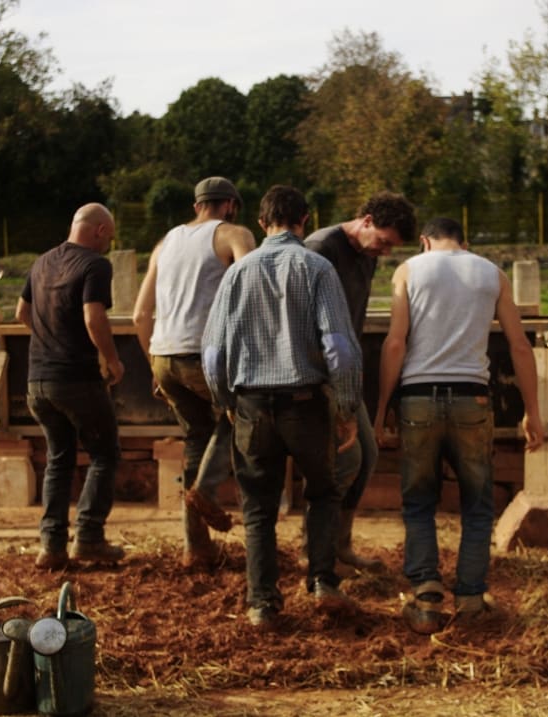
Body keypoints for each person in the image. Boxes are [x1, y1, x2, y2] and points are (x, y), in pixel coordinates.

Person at [202, 184, 363, 628]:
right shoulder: (317, 268)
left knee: (258, 509)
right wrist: (347, 408)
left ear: (261, 223)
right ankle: (322, 582)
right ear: (304, 220)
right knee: (325, 492)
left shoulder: (236, 274)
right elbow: (340, 349)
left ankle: (262, 605)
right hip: (306, 404)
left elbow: (213, 354)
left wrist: (227, 402)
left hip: (253, 404)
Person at [373, 217, 543, 633]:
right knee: (478, 504)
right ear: (463, 242)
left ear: (424, 242)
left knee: (418, 501)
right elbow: (520, 345)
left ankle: (427, 595)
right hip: (473, 398)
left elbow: (395, 342)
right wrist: (532, 411)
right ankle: (469, 598)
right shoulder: (491, 273)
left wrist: (380, 410)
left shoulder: (410, 270)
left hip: (418, 399)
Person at [132, 177, 256, 567]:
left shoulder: (164, 243)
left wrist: (154, 362)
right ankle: (205, 491)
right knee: (245, 416)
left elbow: (139, 314)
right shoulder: (234, 234)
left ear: (196, 204)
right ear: (231, 204)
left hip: (164, 357)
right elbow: (255, 289)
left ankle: (196, 548)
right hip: (204, 355)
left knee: (196, 441)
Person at [304, 192, 416, 570]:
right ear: (366, 220)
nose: (385, 252)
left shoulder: (367, 256)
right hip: (318, 372)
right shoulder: (321, 248)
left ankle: (340, 547)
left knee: (366, 457)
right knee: (344, 459)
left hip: (345, 374)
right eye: (384, 241)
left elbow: (353, 316)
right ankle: (317, 552)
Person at [16, 202, 126, 571]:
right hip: (75, 379)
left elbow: (21, 313)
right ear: (98, 231)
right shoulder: (95, 264)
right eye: (108, 238)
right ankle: (90, 539)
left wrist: (49, 341)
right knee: (104, 453)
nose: (107, 245)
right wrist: (111, 360)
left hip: (37, 382)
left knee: (58, 459)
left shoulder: (41, 262)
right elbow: (93, 316)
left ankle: (52, 547)